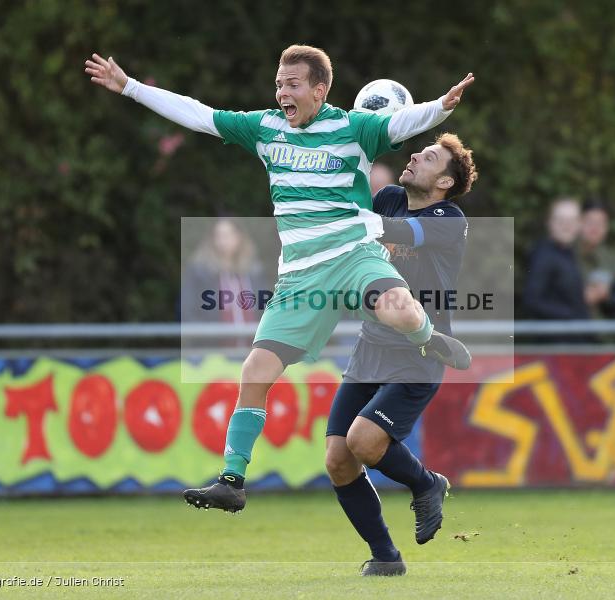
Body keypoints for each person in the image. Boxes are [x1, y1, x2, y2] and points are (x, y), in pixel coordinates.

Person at [85, 46, 475, 512]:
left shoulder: (354, 129)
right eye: (278, 84)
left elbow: (402, 124)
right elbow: (199, 115)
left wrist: (440, 106)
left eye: (292, 84)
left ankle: (430, 340)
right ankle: (232, 480)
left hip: (352, 256)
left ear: (319, 90)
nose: (282, 93)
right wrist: (130, 87)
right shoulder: (265, 128)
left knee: (400, 310)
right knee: (255, 371)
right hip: (299, 275)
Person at [326, 134, 476, 576]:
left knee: (363, 441)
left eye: (428, 158)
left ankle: (426, 484)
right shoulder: (389, 197)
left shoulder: (449, 217)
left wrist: (344, 214)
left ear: (445, 181)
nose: (414, 156)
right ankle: (386, 557)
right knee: (338, 459)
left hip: (420, 351)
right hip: (371, 345)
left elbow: (398, 231)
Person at [181, 218, 265, 329]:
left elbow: (265, 308)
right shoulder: (200, 272)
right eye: (219, 235)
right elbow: (187, 310)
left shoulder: (254, 271)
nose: (223, 240)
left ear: (239, 236)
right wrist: (204, 334)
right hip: (213, 339)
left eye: (228, 235)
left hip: (252, 339)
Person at [523, 199, 590, 330]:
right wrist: (573, 316)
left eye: (572, 220)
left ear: (579, 224)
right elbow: (532, 301)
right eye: (561, 220)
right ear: (549, 222)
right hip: (556, 337)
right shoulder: (544, 255)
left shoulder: (569, 253)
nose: (567, 225)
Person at [577, 200, 615, 318]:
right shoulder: (566, 255)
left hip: (602, 326)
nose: (595, 228)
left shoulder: (611, 259)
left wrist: (606, 296)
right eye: (590, 222)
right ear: (579, 223)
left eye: (600, 223)